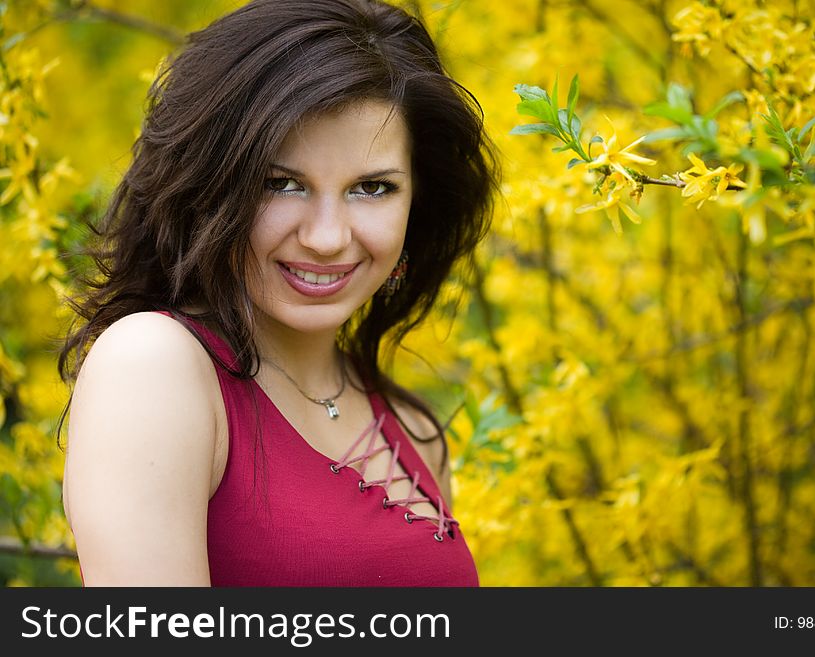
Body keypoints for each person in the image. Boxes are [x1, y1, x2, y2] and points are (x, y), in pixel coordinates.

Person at [57, 0, 497, 586]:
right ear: (211, 185)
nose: (326, 237)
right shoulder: (154, 366)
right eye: (282, 183)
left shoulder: (415, 434)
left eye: (372, 188)